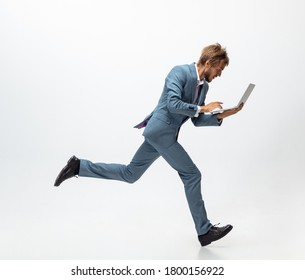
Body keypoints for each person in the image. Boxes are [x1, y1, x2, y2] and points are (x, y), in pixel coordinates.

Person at [54, 43, 243, 246]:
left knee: (130, 174)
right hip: (161, 132)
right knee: (192, 174)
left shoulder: (204, 87)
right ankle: (204, 231)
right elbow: (173, 103)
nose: (219, 74)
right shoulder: (179, 72)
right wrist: (202, 107)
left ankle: (78, 166)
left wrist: (223, 115)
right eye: (219, 69)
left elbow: (196, 119)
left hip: (163, 135)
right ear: (208, 63)